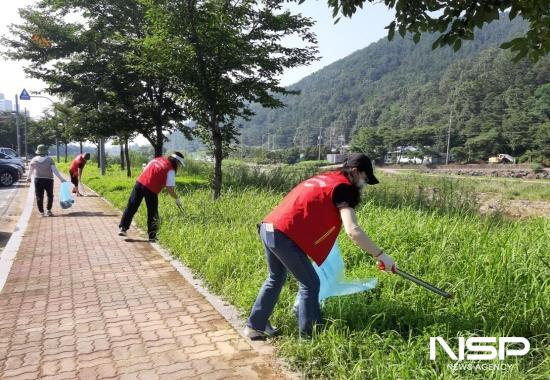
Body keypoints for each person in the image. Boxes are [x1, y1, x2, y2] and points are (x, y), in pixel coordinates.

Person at [245, 153, 397, 340]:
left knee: (275, 278)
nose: (363, 184)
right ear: (356, 172)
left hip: (268, 227)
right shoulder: (344, 188)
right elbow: (353, 230)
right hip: (283, 234)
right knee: (311, 283)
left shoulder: (324, 178)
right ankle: (309, 338)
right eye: (365, 179)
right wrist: (381, 255)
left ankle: (255, 326)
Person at [118, 152, 185, 242]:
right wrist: (177, 198)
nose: (179, 166)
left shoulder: (157, 159)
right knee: (153, 212)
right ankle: (152, 236)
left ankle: (123, 228)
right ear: (176, 162)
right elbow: (170, 188)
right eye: (179, 164)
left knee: (131, 206)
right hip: (151, 189)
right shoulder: (171, 170)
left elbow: (145, 169)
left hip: (139, 183)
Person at [26, 144, 67, 217]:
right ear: (45, 151)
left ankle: (41, 213)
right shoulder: (49, 159)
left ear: (38, 151)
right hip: (49, 180)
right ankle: (48, 211)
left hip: (38, 180)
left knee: (39, 196)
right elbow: (55, 171)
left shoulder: (34, 159)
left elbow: (31, 170)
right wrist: (61, 179)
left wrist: (28, 178)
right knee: (50, 195)